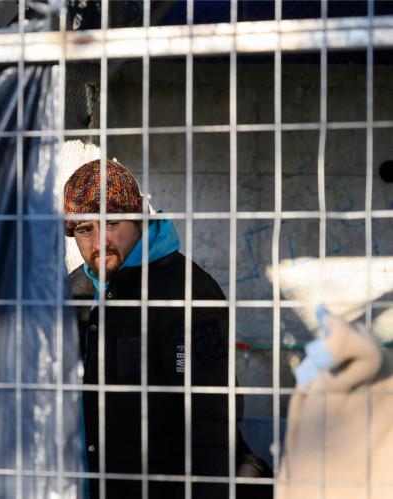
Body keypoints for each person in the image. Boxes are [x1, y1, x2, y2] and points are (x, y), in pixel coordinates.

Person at [64, 159, 272, 498]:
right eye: (85, 229)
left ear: (138, 220)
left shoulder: (186, 291)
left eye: (111, 222)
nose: (99, 242)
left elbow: (211, 420)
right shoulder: (75, 292)